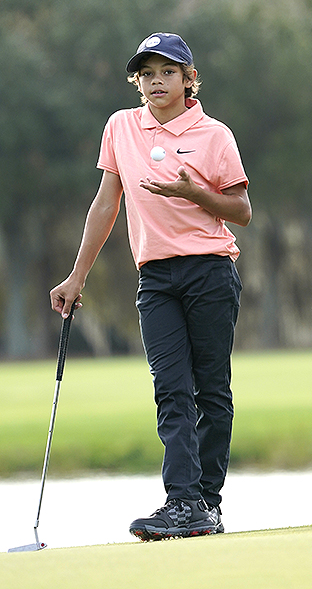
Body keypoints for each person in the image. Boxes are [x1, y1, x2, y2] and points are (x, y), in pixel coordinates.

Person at [50, 32, 251, 538]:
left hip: (209, 269)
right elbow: (105, 204)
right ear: (136, 81)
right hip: (155, 277)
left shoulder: (214, 134)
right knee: (171, 390)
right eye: (146, 73)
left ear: (190, 79)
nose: (155, 81)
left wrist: (195, 192)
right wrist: (77, 277)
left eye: (167, 72)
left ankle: (206, 501)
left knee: (212, 391)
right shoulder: (121, 126)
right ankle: (182, 501)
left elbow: (242, 212)